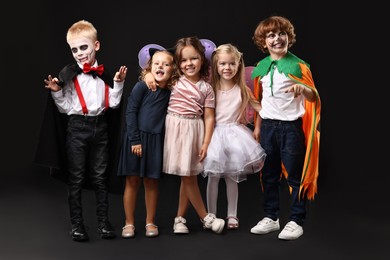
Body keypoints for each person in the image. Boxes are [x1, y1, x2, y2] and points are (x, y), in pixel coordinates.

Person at [42, 20, 128, 242]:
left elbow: (115, 105)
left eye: (84, 47)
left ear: (96, 46)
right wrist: (56, 92)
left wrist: (118, 84)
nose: (79, 54)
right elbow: (63, 108)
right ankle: (77, 225)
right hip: (77, 128)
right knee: (77, 178)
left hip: (101, 128)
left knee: (100, 178)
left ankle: (103, 222)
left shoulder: (104, 74)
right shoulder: (68, 74)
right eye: (74, 49)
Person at [249, 16, 321, 240]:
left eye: (282, 34)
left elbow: (313, 96)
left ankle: (296, 220)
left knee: (294, 176)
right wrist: (258, 127)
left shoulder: (298, 66)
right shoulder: (261, 67)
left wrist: (303, 88)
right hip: (268, 127)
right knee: (268, 174)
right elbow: (259, 101)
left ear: (289, 38)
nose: (277, 39)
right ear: (264, 42)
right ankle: (271, 217)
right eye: (271, 35)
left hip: (291, 128)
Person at [144, 36, 225, 234]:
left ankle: (179, 219)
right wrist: (147, 74)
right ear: (178, 63)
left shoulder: (206, 88)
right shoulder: (174, 80)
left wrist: (206, 142)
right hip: (175, 129)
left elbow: (209, 117)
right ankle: (205, 217)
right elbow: (156, 72)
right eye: (183, 60)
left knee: (188, 176)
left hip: (194, 130)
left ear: (202, 59)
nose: (189, 64)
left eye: (194, 58)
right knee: (187, 176)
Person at [201, 43, 266, 230]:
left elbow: (259, 108)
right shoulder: (210, 87)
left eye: (231, 64)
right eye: (222, 64)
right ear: (216, 65)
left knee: (232, 176)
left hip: (236, 135)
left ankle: (232, 215)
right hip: (214, 135)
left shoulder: (242, 89)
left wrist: (257, 128)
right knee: (213, 177)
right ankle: (211, 215)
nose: (227, 68)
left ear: (238, 65)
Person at [117, 48, 178, 239]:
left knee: (151, 182)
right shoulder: (142, 86)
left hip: (155, 141)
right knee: (132, 181)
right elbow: (130, 112)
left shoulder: (171, 91)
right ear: (149, 67)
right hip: (135, 139)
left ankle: (150, 221)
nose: (160, 66)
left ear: (173, 70)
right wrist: (135, 139)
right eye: (156, 63)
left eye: (166, 64)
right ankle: (129, 223)